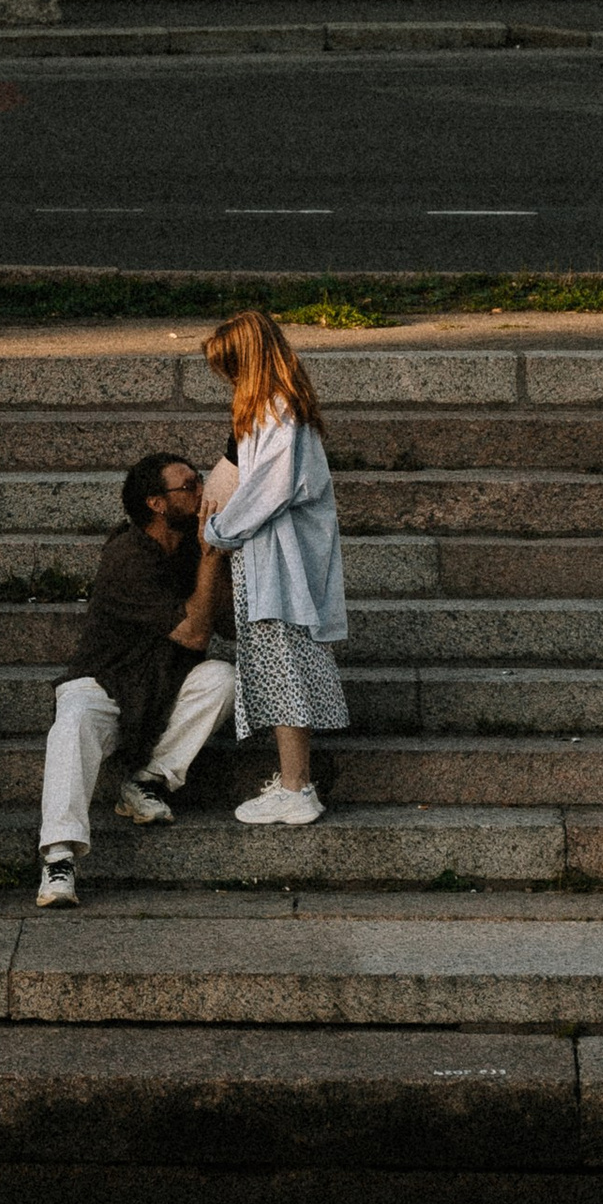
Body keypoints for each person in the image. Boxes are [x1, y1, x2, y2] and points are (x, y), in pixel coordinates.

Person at [35, 451, 237, 910]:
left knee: (223, 678)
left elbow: (225, 625)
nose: (203, 492)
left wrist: (218, 555)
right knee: (73, 721)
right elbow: (195, 632)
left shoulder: (190, 546)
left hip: (165, 683)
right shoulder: (126, 557)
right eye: (189, 487)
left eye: (200, 481)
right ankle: (59, 857)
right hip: (105, 684)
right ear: (157, 504)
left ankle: (147, 781)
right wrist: (210, 558)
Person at [197, 307, 349, 831]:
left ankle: (295, 788)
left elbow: (269, 490)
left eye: (232, 370)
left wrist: (218, 533)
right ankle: (293, 782)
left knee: (285, 670)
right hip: (271, 565)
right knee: (281, 669)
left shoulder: (277, 411)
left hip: (280, 569)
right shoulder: (276, 411)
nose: (230, 382)